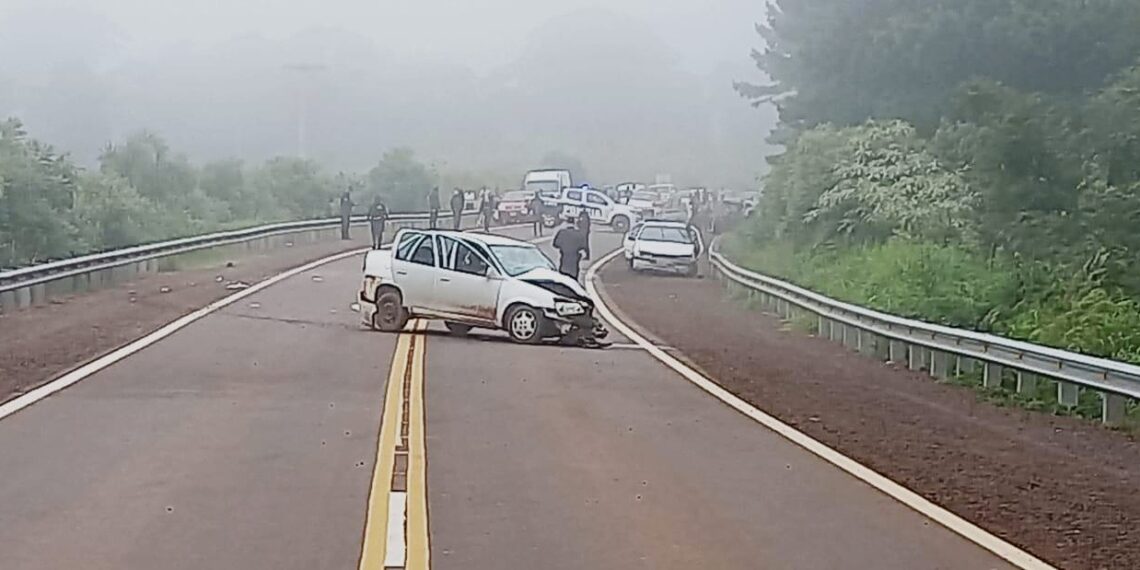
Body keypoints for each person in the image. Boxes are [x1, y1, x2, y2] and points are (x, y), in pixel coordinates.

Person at [552, 216, 589, 281]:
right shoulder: (579, 233)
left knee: (563, 279)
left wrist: (562, 247)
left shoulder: (562, 232)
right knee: (573, 280)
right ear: (574, 223)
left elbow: (555, 244)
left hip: (564, 259)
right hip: (574, 262)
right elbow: (583, 246)